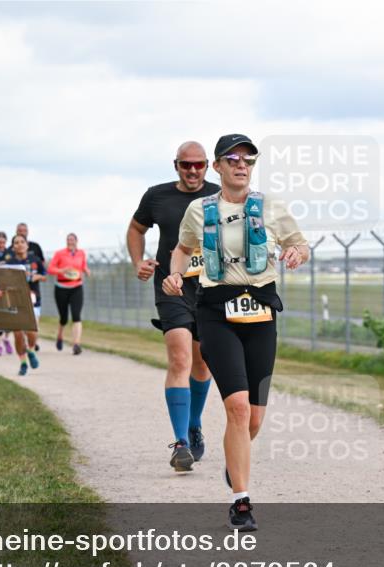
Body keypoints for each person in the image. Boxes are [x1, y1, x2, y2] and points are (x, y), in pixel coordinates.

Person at [163, 134, 309, 531]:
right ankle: (240, 502)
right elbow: (182, 249)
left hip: (261, 312)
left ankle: (235, 462)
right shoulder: (199, 210)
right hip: (216, 312)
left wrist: (296, 253)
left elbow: (300, 244)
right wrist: (175, 274)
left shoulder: (271, 206)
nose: (241, 165)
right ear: (218, 167)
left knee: (254, 420)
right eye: (232, 159)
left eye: (248, 159)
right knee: (238, 408)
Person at [129, 140, 219, 473]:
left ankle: (193, 423)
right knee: (180, 358)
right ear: (176, 165)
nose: (192, 170)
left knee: (203, 362)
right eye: (186, 164)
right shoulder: (157, 196)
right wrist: (138, 261)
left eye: (198, 164)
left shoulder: (220, 196)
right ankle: (181, 443)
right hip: (171, 286)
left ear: (207, 165)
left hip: (210, 289)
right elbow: (136, 228)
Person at [3, 234, 46, 376]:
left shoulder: (35, 260)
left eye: (22, 242)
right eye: (16, 242)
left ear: (27, 245)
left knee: (32, 331)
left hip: (33, 300)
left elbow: (44, 275)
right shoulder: (10, 263)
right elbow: (4, 282)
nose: (20, 244)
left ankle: (31, 350)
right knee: (18, 334)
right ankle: (23, 363)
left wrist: (37, 276)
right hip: (16, 301)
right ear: (13, 247)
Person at [47, 233, 90, 354]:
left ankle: (76, 344)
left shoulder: (81, 253)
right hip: (61, 288)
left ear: (76, 241)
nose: (70, 242)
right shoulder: (59, 253)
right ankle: (60, 336)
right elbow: (50, 269)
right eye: (68, 240)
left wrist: (87, 271)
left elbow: (83, 266)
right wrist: (61, 270)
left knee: (76, 315)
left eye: (72, 240)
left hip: (77, 287)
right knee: (64, 318)